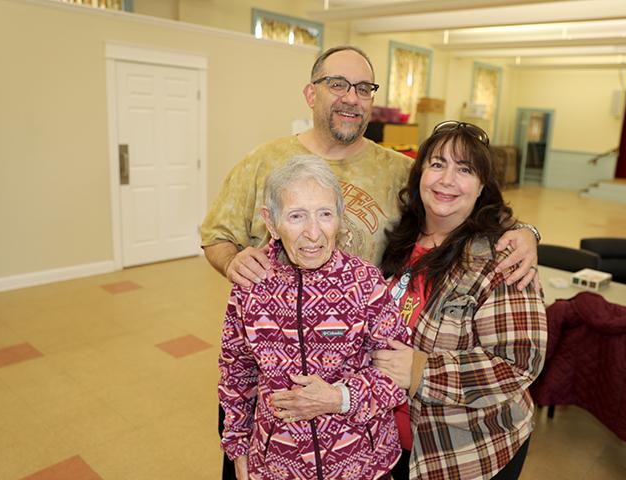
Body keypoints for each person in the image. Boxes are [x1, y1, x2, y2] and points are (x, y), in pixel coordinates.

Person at [201, 45, 541, 479]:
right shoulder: (262, 162)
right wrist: (234, 264)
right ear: (311, 93)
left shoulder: (398, 170)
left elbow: (455, 203)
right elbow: (216, 237)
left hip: (362, 401)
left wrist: (525, 233)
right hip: (276, 376)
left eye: (363, 88)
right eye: (337, 84)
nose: (350, 97)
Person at [370, 121, 548, 480]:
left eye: (465, 169)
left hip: (465, 454)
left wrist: (420, 370)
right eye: (437, 164)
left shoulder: (501, 259)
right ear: (419, 173)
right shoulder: (398, 237)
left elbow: (519, 362)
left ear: (482, 185)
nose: (447, 180)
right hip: (391, 444)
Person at [218, 156, 409, 480]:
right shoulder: (251, 286)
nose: (313, 233)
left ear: (340, 217)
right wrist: (237, 445)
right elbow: (236, 372)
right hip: (277, 464)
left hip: (363, 465)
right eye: (296, 216)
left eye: (325, 214)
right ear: (271, 222)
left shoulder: (366, 283)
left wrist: (339, 398)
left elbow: (398, 376)